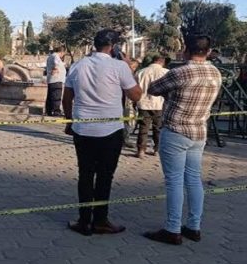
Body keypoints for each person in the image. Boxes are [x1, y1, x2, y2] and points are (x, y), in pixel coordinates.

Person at [62, 29, 143, 236]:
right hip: (110, 130)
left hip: (83, 128)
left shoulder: (78, 65)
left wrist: (70, 121)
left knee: (85, 174)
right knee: (105, 176)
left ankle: (84, 221)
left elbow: (67, 98)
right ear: (114, 47)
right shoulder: (119, 66)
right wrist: (128, 69)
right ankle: (100, 220)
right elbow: (136, 95)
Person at [143, 35, 222, 245]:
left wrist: (172, 95)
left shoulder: (179, 72)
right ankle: (194, 226)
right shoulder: (215, 72)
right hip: (199, 132)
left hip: (176, 131)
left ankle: (172, 229)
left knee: (175, 181)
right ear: (208, 51)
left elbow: (152, 89)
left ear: (186, 50)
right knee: (194, 179)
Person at [135, 55, 169, 159]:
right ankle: (157, 149)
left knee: (143, 127)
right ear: (162, 62)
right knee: (158, 128)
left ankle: (141, 150)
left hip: (143, 103)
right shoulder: (166, 72)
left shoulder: (140, 72)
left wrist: (134, 101)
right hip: (159, 103)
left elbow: (135, 88)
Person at [45, 46, 67, 116]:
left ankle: (49, 111)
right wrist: (56, 68)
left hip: (52, 79)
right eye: (63, 53)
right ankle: (56, 112)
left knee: (50, 96)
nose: (63, 55)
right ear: (62, 52)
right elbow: (56, 63)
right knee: (56, 96)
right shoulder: (56, 56)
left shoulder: (51, 56)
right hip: (57, 79)